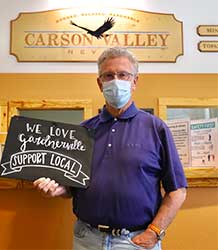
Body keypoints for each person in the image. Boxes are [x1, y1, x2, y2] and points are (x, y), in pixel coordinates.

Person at [33, 47, 187, 250]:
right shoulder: (82, 131)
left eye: (123, 75)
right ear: (100, 83)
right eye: (108, 75)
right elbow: (70, 187)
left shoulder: (155, 128)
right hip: (86, 238)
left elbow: (177, 190)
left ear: (134, 82)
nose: (116, 81)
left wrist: (155, 231)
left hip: (136, 241)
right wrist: (56, 190)